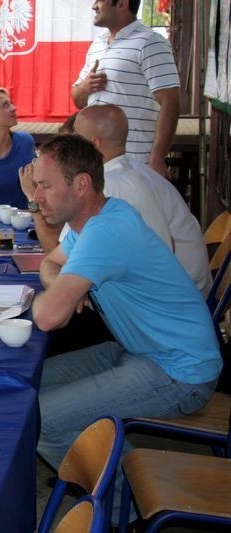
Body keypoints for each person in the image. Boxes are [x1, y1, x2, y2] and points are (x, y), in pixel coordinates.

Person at [30, 134, 221, 523]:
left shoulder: (106, 231)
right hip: (141, 352)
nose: (36, 197)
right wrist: (66, 284)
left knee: (41, 419)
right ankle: (123, 460)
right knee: (27, 386)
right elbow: (50, 264)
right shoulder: (98, 219)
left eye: (45, 185)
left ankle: (130, 507)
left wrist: (45, 297)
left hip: (179, 371)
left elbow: (48, 317)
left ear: (81, 184)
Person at [74, 104, 211, 296]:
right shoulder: (128, 169)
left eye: (76, 139)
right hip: (182, 286)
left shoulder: (111, 183)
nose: (71, 148)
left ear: (94, 143)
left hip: (176, 296)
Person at [71, 0, 180, 177]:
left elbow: (170, 102)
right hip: (94, 163)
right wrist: (85, 87)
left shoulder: (150, 42)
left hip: (135, 161)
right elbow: (78, 100)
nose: (94, 6)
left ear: (122, 4)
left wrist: (157, 158)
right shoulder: (97, 44)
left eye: (100, 1)